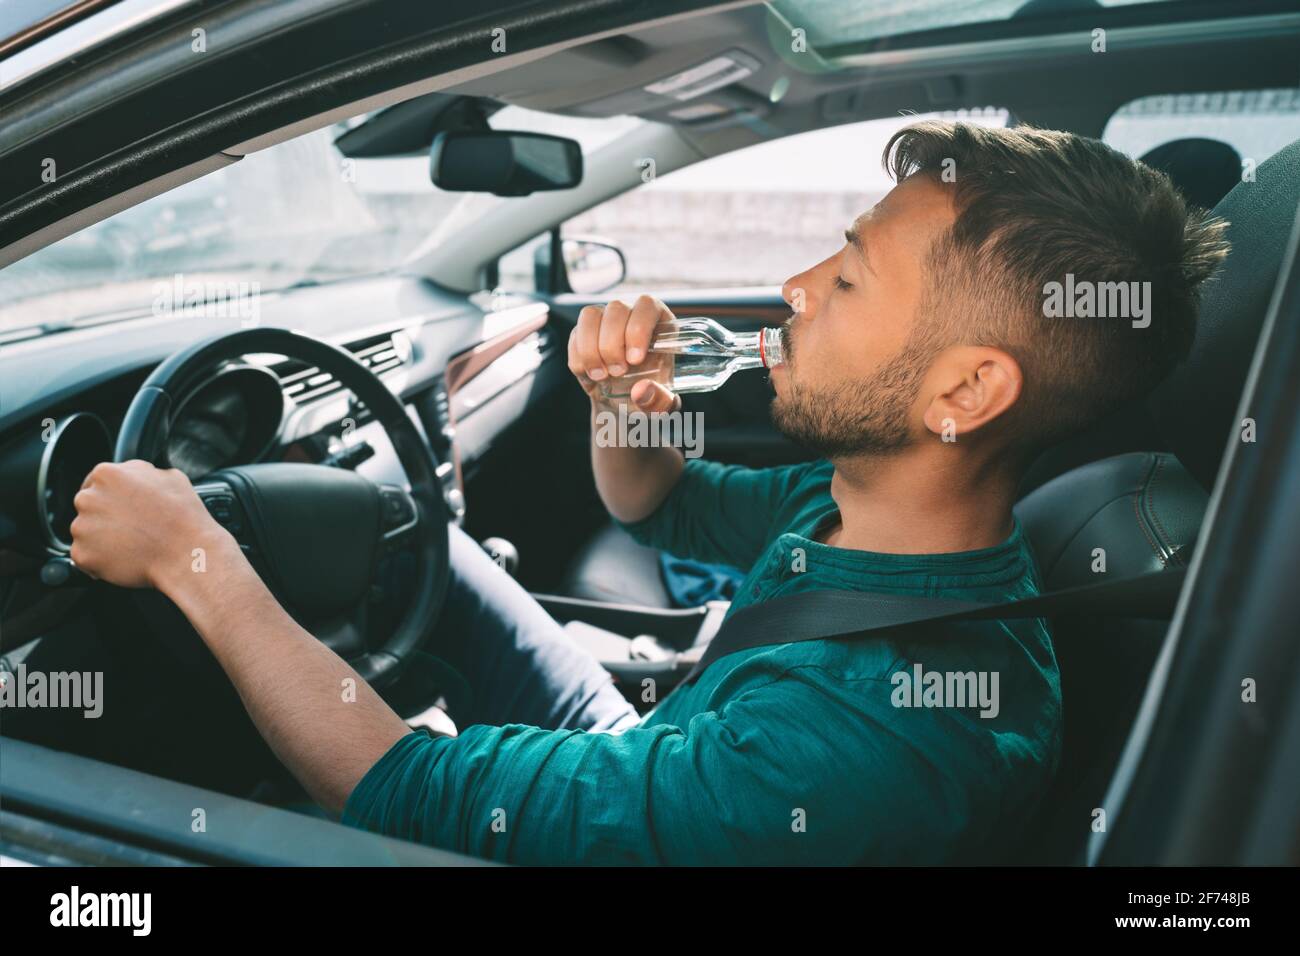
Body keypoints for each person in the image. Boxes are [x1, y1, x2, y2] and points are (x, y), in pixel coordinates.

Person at [68, 121, 1229, 864]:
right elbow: (657, 508)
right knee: (422, 541)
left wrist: (191, 558)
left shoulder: (866, 748)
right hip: (671, 737)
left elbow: (397, 785)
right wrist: (630, 399)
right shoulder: (870, 513)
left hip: (686, 777)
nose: (794, 286)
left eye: (849, 276)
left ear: (965, 389)